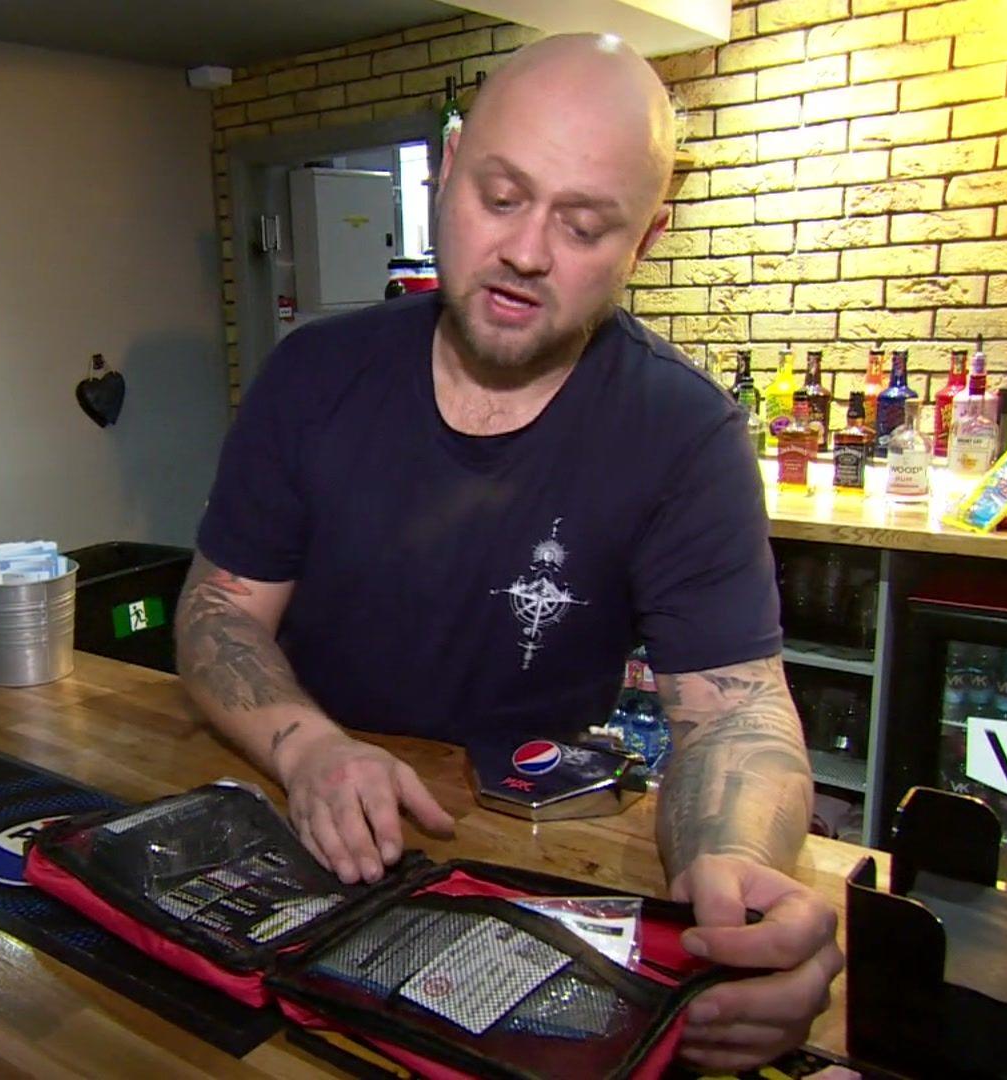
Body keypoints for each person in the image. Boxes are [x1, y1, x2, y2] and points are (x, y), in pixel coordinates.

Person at [175, 33, 840, 1072]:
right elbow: (218, 612)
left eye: (583, 226)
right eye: (500, 196)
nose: (528, 252)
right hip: (292, 829)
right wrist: (308, 747)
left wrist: (734, 866)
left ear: (646, 240)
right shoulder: (312, 376)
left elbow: (738, 707)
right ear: (446, 170)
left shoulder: (683, 433)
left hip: (523, 872)